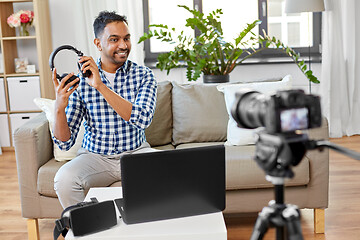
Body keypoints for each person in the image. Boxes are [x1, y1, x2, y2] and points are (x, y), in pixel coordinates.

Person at [52, 11, 157, 209]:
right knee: (64, 180)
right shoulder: (80, 81)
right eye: (114, 39)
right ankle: (85, 229)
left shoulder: (144, 75)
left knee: (170, 171)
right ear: (98, 44)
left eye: (126, 38)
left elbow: (142, 118)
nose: (124, 45)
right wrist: (59, 107)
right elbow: (64, 143)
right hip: (95, 157)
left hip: (136, 153)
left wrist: (101, 86)